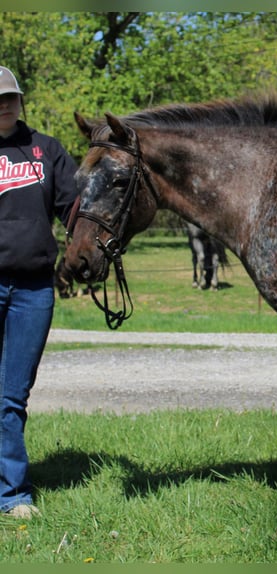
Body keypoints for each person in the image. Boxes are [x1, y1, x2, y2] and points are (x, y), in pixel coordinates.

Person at [0, 65, 79, 518]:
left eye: (10, 96)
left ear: (20, 99)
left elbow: (73, 210)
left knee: (12, 395)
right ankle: (11, 489)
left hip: (33, 289)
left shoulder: (46, 150)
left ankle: (11, 494)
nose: (4, 104)